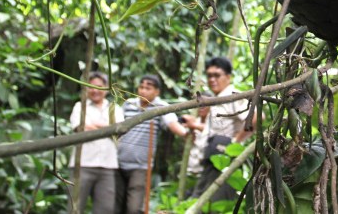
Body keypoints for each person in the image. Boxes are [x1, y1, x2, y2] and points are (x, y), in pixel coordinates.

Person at [183, 57, 255, 203]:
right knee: (202, 200)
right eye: (209, 75)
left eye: (217, 75)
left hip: (224, 156)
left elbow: (255, 118)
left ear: (228, 77)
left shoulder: (233, 96)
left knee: (214, 201)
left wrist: (235, 142)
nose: (212, 79)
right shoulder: (217, 99)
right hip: (212, 157)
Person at [117, 74, 188, 214]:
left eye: (148, 88)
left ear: (157, 92)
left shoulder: (160, 106)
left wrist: (186, 134)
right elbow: (116, 125)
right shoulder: (128, 103)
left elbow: (172, 124)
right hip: (118, 162)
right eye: (141, 87)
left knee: (134, 208)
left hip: (140, 166)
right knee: (116, 205)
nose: (143, 91)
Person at [68, 71, 123, 214]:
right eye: (90, 87)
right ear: (86, 88)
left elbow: (118, 131)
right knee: (75, 208)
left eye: (99, 86)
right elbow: (80, 129)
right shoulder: (79, 106)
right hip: (82, 164)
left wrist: (93, 126)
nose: (94, 90)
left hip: (107, 166)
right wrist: (107, 128)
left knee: (105, 209)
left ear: (106, 88)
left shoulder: (115, 108)